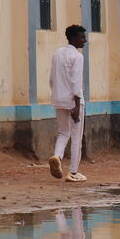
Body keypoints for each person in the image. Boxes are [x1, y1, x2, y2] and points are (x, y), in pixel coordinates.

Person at [49, 25, 88, 182]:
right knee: (76, 136)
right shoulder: (78, 57)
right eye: (81, 37)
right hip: (73, 101)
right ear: (72, 38)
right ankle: (73, 172)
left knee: (63, 132)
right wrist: (77, 106)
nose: (84, 40)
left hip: (58, 99)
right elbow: (76, 83)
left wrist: (57, 94)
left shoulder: (57, 53)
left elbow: (51, 78)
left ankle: (57, 157)